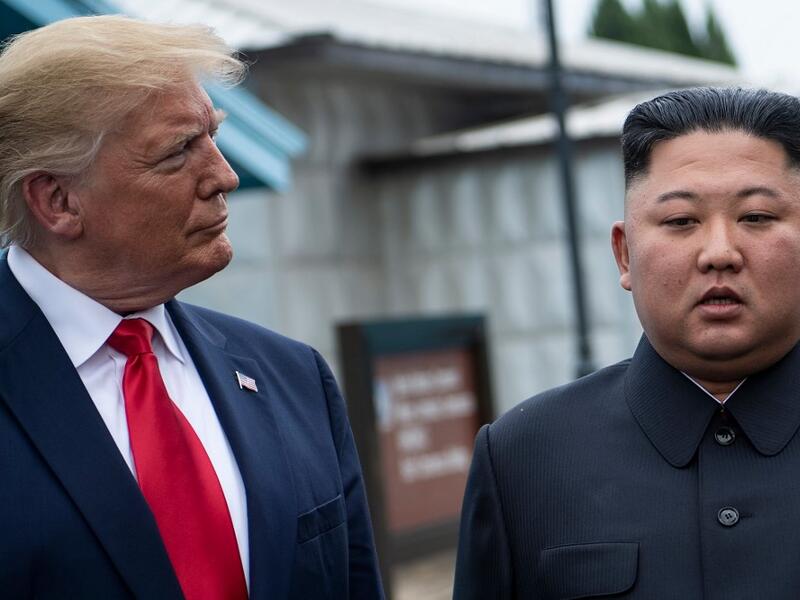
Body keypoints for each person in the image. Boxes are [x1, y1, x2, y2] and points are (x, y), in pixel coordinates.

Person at [0, 15, 383, 600]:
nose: (224, 176)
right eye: (178, 151)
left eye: (213, 136)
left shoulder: (294, 378)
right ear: (57, 200)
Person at [454, 87, 800, 599]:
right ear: (624, 254)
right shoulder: (524, 459)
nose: (720, 253)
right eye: (681, 221)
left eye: (756, 218)